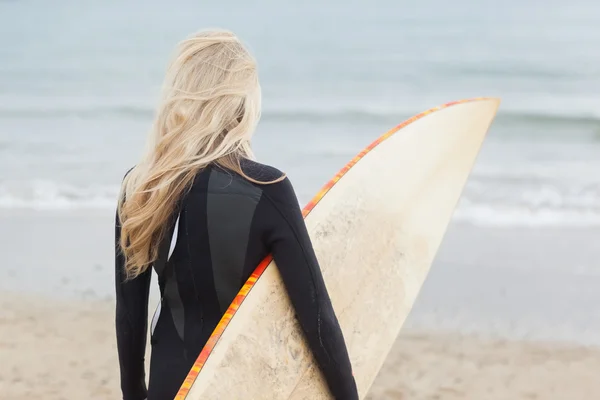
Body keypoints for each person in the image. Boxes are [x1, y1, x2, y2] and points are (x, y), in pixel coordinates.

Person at [115, 29, 359, 400]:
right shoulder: (266, 188)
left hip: (170, 384)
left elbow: (129, 316)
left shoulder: (142, 187)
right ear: (242, 101)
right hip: (241, 385)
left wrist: (135, 394)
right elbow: (317, 317)